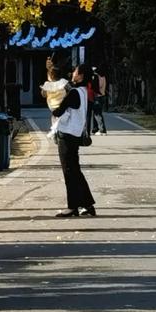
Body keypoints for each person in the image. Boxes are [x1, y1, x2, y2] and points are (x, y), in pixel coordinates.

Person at [52, 63, 96, 219]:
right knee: (75, 170)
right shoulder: (84, 92)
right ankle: (87, 204)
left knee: (69, 172)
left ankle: (72, 207)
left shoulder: (74, 93)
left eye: (76, 72)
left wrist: (53, 101)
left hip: (67, 134)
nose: (73, 73)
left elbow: (58, 111)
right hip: (76, 134)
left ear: (81, 75)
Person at [40, 60, 70, 140]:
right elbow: (70, 90)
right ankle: (58, 132)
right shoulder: (63, 82)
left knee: (54, 118)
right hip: (62, 105)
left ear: (51, 76)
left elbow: (43, 95)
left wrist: (43, 89)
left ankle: (55, 133)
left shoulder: (47, 84)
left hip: (52, 106)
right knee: (62, 119)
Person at [91, 66, 107, 135]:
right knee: (96, 113)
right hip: (102, 96)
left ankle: (102, 130)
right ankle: (95, 129)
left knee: (97, 114)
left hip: (97, 96)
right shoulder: (103, 77)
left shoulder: (97, 77)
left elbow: (98, 86)